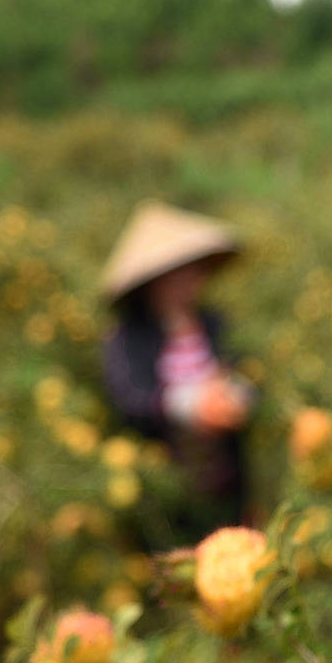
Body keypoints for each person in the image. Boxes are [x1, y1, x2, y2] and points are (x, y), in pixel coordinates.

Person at [97, 202, 256, 543]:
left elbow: (247, 371)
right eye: (176, 272)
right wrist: (189, 405)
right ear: (152, 280)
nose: (187, 281)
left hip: (224, 482)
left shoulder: (214, 324)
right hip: (167, 493)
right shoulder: (128, 338)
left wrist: (238, 396)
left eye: (193, 270)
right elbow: (128, 400)